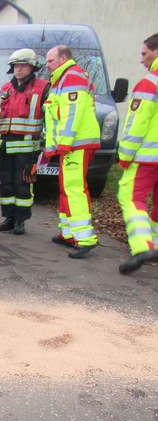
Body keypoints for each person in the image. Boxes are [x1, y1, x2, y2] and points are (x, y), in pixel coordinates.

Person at [44, 45, 101, 258]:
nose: (47, 65)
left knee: (75, 188)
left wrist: (64, 144)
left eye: (50, 61)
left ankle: (85, 238)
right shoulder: (63, 78)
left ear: (63, 58)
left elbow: (71, 113)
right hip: (74, 144)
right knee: (67, 187)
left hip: (76, 144)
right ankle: (68, 233)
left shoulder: (72, 76)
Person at [0, 49, 50, 235]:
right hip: (4, 146)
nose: (19, 69)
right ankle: (9, 217)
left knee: (22, 183)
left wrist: (41, 150)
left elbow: (49, 121)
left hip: (27, 148)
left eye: (23, 66)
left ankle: (20, 220)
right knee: (5, 183)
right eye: (16, 66)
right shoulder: (5, 89)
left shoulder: (43, 88)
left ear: (32, 67)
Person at [116, 33, 158, 274]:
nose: (141, 59)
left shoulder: (149, 83)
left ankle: (143, 247)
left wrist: (125, 155)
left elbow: (135, 126)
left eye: (145, 53)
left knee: (131, 198)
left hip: (146, 157)